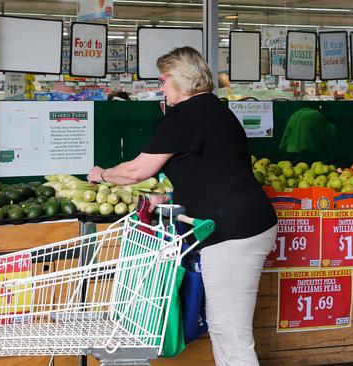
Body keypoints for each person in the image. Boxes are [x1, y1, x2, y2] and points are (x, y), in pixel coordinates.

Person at [87, 46, 277, 366]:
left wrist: (101, 174)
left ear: (178, 80)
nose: (161, 87)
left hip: (232, 232)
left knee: (231, 333)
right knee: (224, 329)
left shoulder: (186, 115)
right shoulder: (214, 110)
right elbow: (212, 169)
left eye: (163, 80)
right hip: (243, 223)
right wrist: (173, 198)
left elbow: (137, 171)